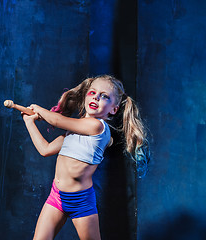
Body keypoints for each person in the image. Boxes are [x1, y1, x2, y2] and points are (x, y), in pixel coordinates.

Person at [22, 75, 149, 240]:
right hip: (57, 196)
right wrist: (29, 122)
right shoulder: (73, 131)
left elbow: (56, 120)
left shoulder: (97, 126)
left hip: (80, 202)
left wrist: (38, 109)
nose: (96, 97)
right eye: (93, 92)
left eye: (104, 96)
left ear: (114, 109)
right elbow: (45, 149)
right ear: (85, 97)